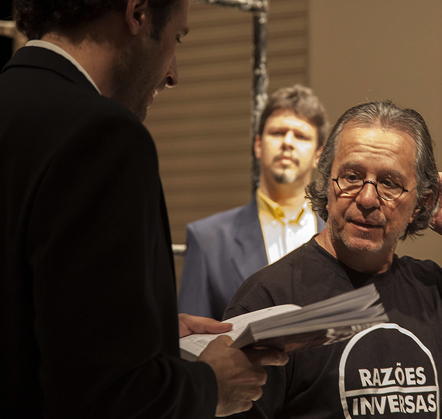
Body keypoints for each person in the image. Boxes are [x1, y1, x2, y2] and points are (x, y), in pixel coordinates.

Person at [0, 1, 287, 418]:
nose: (173, 73)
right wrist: (211, 385)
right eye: (176, 39)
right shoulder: (103, 135)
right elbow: (109, 395)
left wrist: (145, 336)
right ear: (138, 14)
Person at [224, 101, 442, 418]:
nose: (368, 198)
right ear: (327, 184)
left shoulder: (438, 294)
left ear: (422, 201)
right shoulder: (271, 297)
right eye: (351, 177)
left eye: (390, 183)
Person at [178, 85, 328, 320]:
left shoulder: (338, 234)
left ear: (318, 155)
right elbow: (189, 340)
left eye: (301, 136)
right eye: (278, 133)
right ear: (258, 146)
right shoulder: (208, 238)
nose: (288, 142)